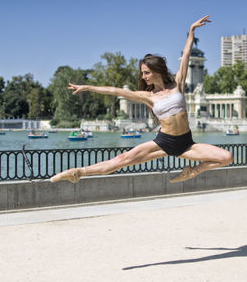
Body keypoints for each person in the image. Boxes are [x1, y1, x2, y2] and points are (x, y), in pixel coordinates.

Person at [50, 15, 233, 184]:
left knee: (227, 157)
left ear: (157, 71)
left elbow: (185, 55)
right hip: (164, 142)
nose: (143, 77)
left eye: (146, 72)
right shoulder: (148, 96)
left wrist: (192, 30)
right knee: (121, 160)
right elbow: (115, 91)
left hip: (187, 143)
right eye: (142, 73)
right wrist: (88, 87)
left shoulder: (178, 84)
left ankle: (192, 171)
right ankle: (78, 172)